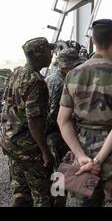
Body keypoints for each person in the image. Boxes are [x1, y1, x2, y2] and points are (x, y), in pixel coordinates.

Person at [57, 19, 112, 207]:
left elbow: (62, 120)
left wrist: (81, 156)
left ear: (93, 41)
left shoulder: (73, 74)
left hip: (82, 149)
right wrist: (98, 160)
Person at [0, 37, 55, 207]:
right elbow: (34, 121)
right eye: (47, 50)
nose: (51, 54)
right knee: (42, 195)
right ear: (38, 55)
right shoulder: (36, 81)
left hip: (11, 143)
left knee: (20, 192)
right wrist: (45, 151)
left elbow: (7, 107)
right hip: (29, 148)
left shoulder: (16, 73)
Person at [45, 48, 81, 206]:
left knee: (58, 173)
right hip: (58, 135)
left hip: (52, 134)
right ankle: (58, 203)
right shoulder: (61, 82)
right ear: (69, 66)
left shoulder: (51, 78)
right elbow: (55, 114)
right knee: (61, 174)